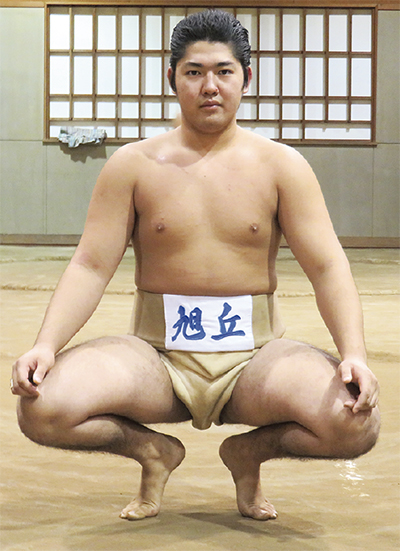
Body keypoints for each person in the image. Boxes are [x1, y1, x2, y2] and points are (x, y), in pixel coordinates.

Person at [11, 10, 380, 521]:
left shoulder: (282, 165)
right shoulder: (133, 165)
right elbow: (91, 265)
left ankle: (247, 454)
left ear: (246, 79)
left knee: (354, 421)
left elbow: (328, 266)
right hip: (155, 355)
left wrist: (354, 353)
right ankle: (153, 452)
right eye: (194, 72)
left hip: (255, 356)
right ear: (173, 79)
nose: (210, 86)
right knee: (42, 407)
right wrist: (45, 345)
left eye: (224, 71)